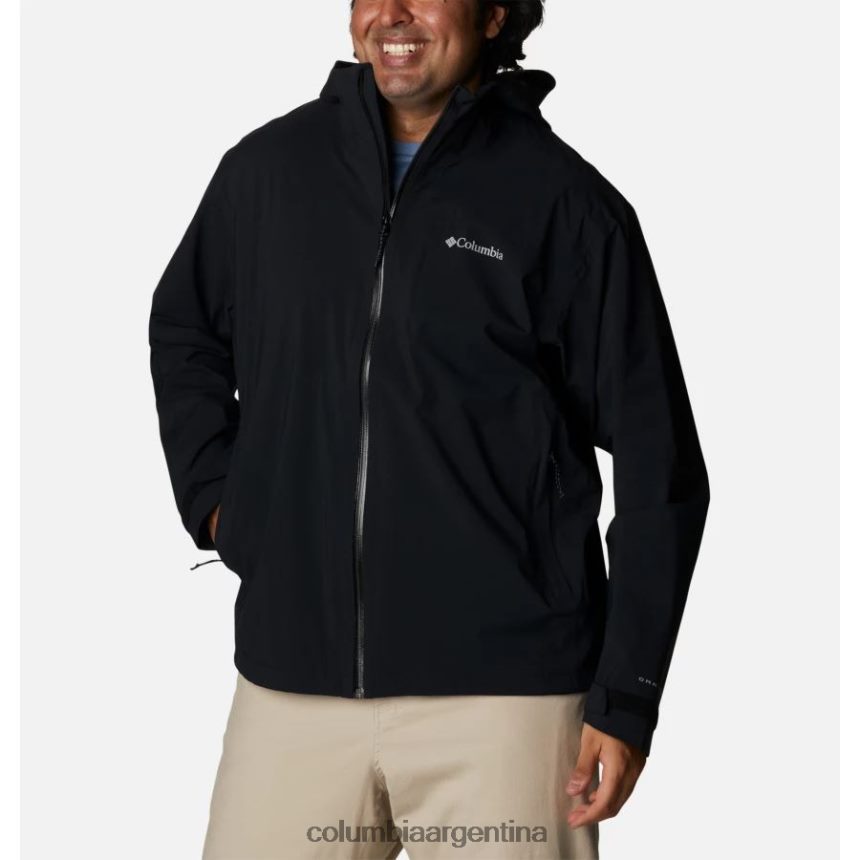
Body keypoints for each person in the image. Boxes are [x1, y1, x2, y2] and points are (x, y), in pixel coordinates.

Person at [148, 1, 710, 857]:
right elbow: (185, 328)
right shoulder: (267, 173)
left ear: (494, 13)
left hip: (505, 704)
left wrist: (628, 695)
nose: (392, 14)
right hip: (291, 684)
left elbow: (658, 458)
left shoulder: (565, 204)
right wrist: (222, 501)